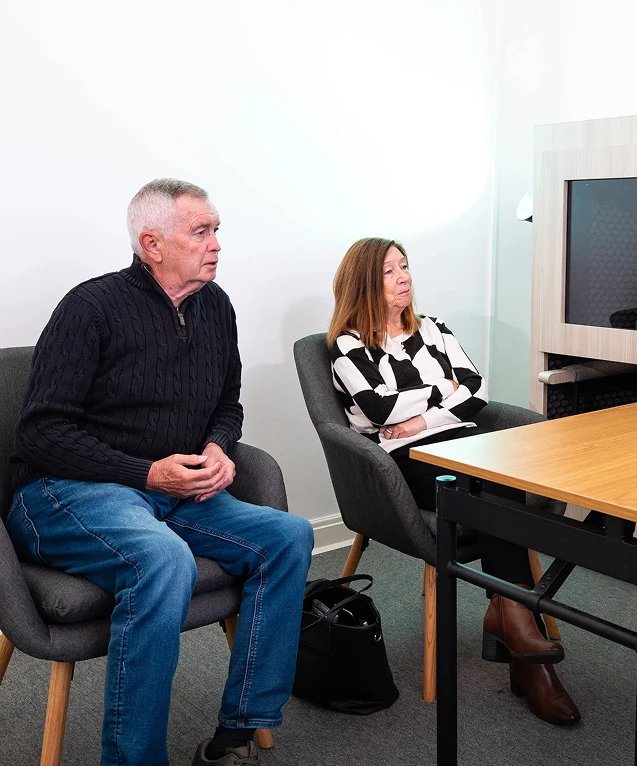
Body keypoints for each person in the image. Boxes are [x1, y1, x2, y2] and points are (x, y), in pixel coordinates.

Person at [8, 179, 314, 766]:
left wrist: (221, 447)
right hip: (65, 494)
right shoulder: (90, 308)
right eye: (201, 232)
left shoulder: (215, 307)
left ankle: (240, 729)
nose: (217, 244)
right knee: (162, 559)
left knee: (289, 536)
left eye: (217, 229)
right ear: (151, 244)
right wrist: (148, 473)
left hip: (173, 494)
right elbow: (40, 433)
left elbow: (229, 403)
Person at [327, 237, 580, 726]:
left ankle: (510, 613)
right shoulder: (346, 346)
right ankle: (522, 633)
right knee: (482, 484)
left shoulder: (434, 329)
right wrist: (445, 391)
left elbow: (478, 393)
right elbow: (378, 410)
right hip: (405, 461)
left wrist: (422, 416)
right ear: (363, 282)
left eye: (405, 266)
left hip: (450, 441)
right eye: (389, 271)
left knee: (496, 476)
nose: (405, 277)